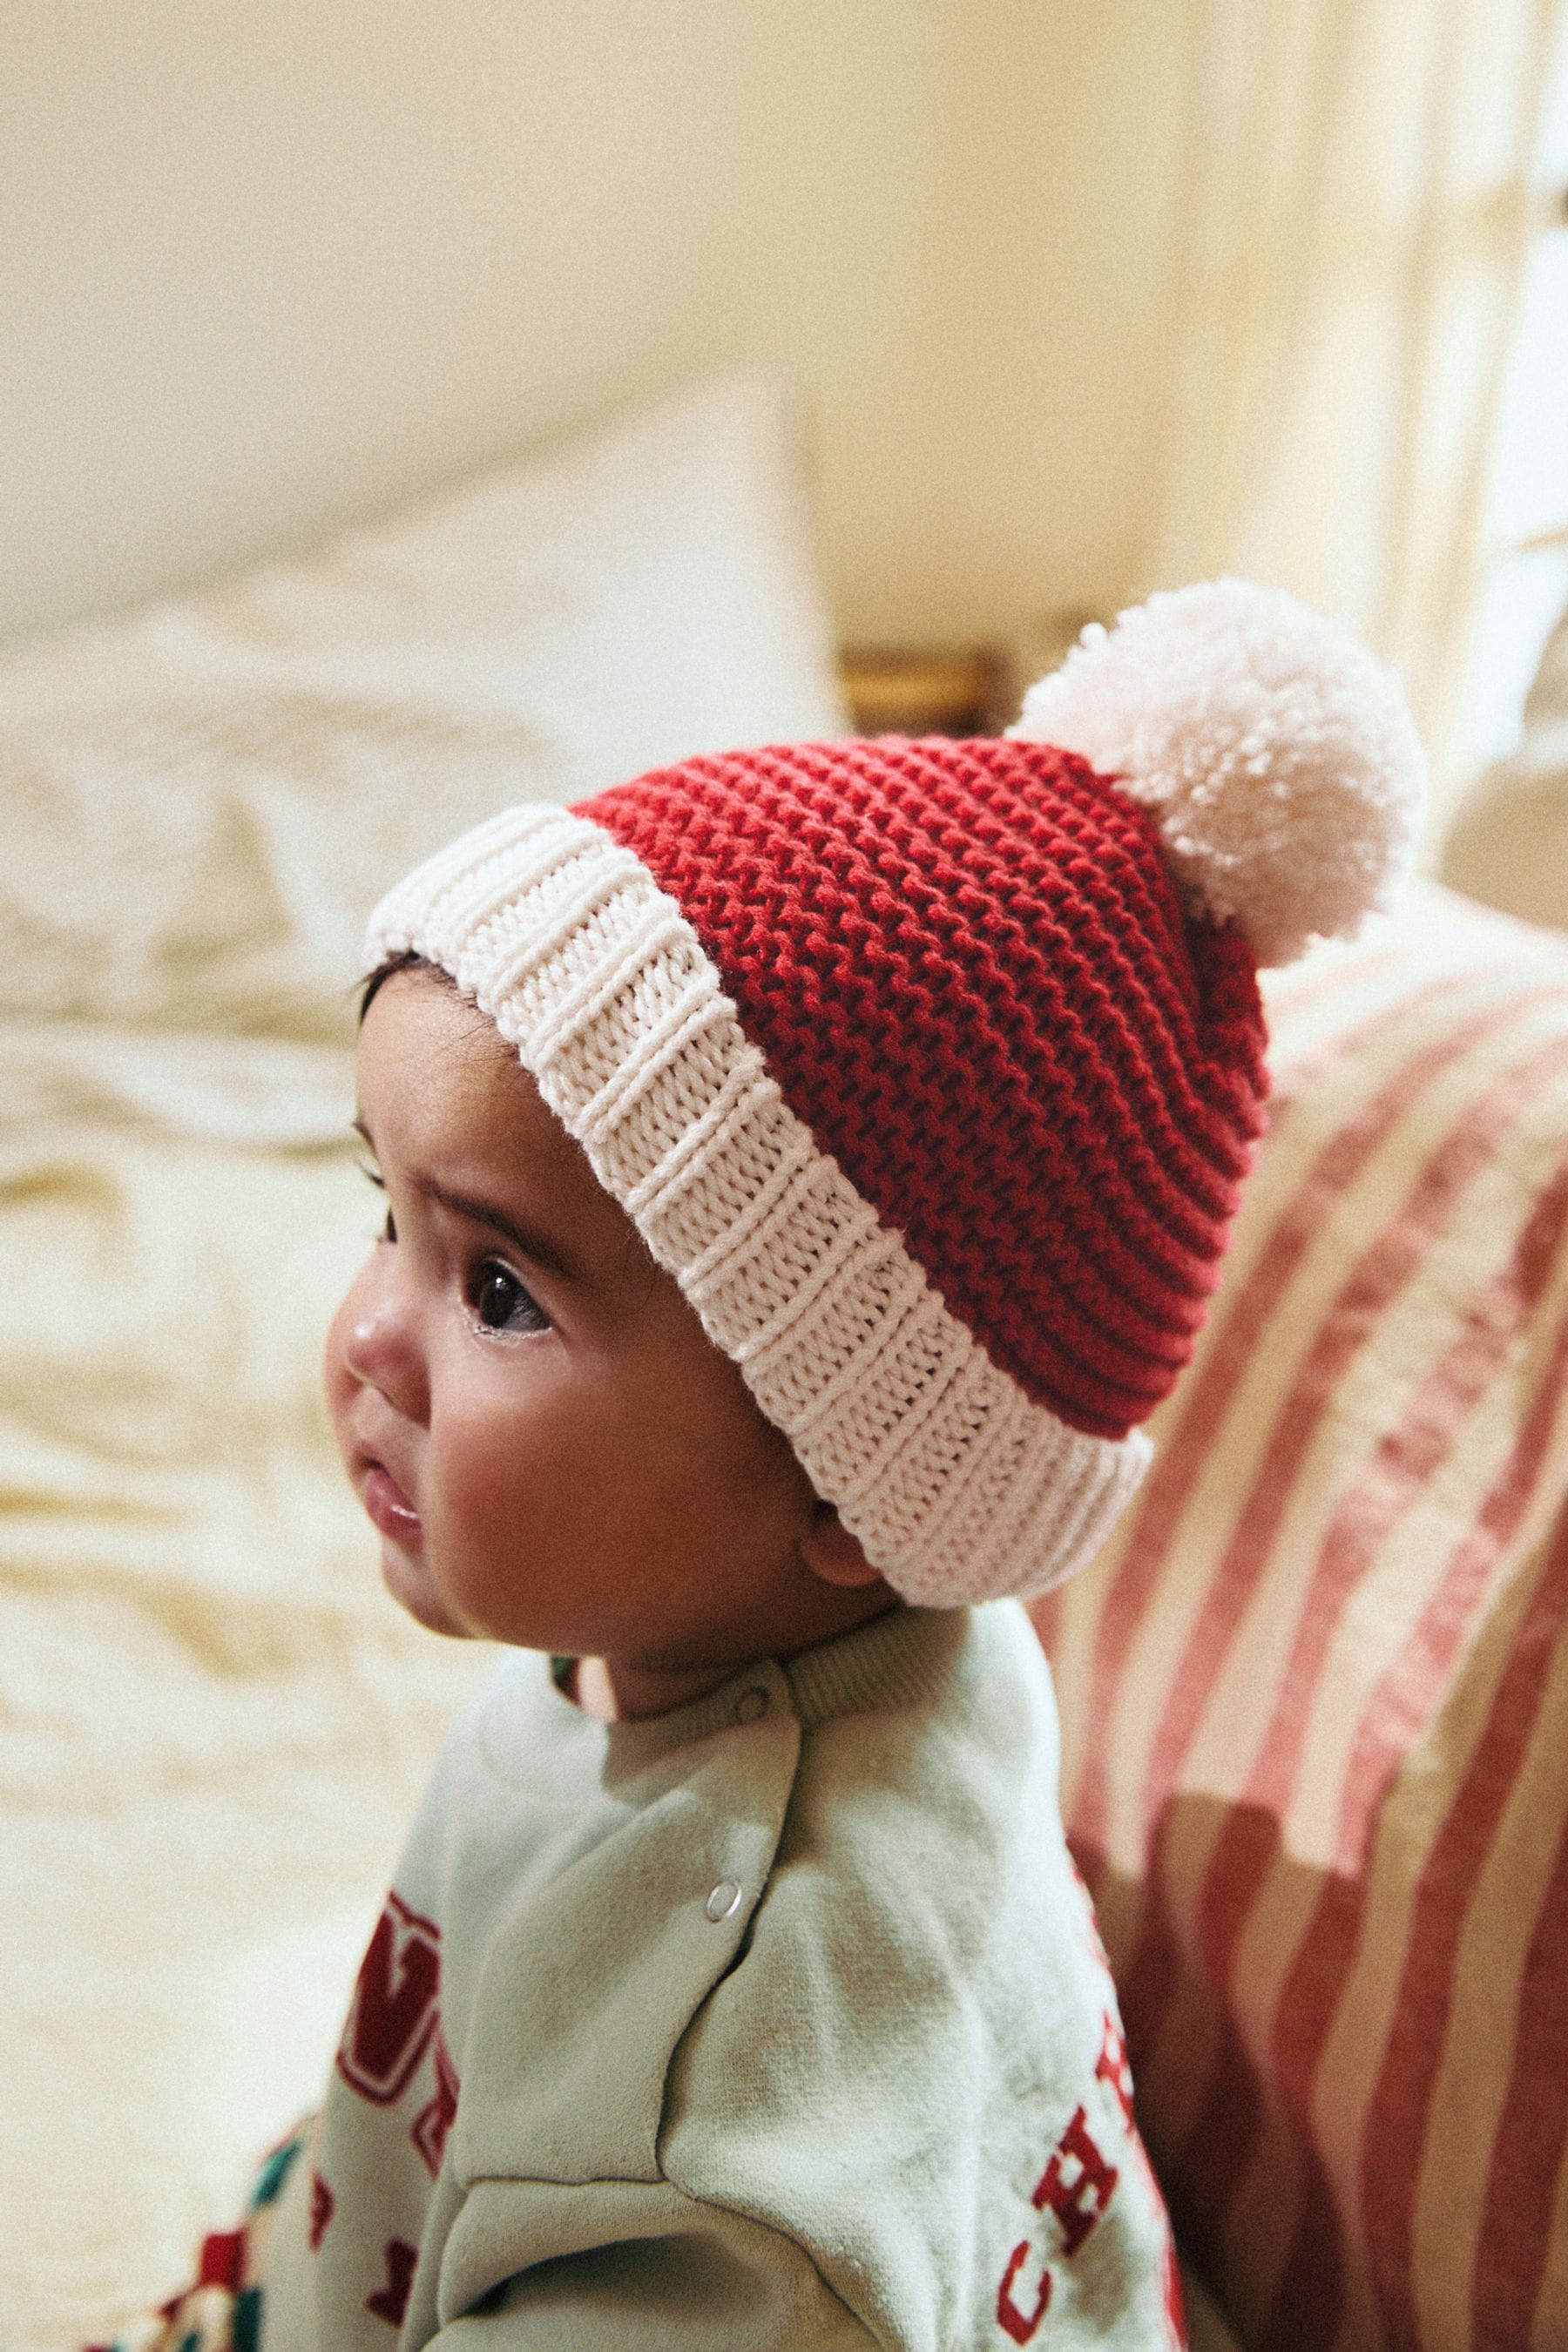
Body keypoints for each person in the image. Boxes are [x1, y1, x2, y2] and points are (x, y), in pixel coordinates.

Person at [99, 579, 1423, 2350]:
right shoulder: (775, 1647)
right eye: (382, 1215)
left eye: (497, 1286)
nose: (365, 1337)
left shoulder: (725, 2181)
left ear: (854, 1488)